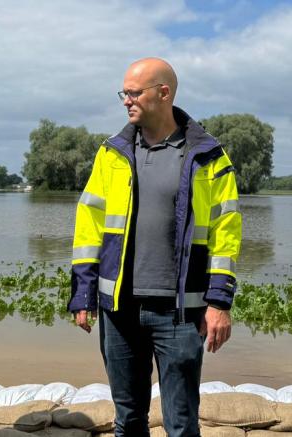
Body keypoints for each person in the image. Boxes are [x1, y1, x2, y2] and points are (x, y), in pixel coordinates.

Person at [68, 57, 241, 437]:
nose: (126, 100)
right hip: (119, 308)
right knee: (127, 419)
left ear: (163, 93)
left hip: (180, 311)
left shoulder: (209, 157)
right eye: (124, 93)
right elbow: (89, 225)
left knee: (181, 422)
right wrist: (82, 294)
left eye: (134, 92)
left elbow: (226, 235)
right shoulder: (110, 154)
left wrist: (219, 303)